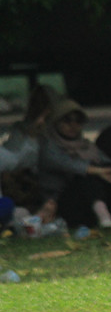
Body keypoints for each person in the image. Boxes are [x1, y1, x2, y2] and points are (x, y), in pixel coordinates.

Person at [38, 98, 111, 228]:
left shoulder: (86, 146)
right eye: (67, 120)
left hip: (90, 204)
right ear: (55, 122)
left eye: (78, 121)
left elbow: (107, 161)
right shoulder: (48, 147)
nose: (73, 125)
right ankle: (104, 217)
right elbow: (73, 166)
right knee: (87, 176)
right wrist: (102, 172)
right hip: (62, 204)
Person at [1, 84, 60, 223]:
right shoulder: (20, 131)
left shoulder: (55, 132)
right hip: (22, 184)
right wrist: (31, 135)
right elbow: (14, 162)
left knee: (13, 209)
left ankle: (34, 219)